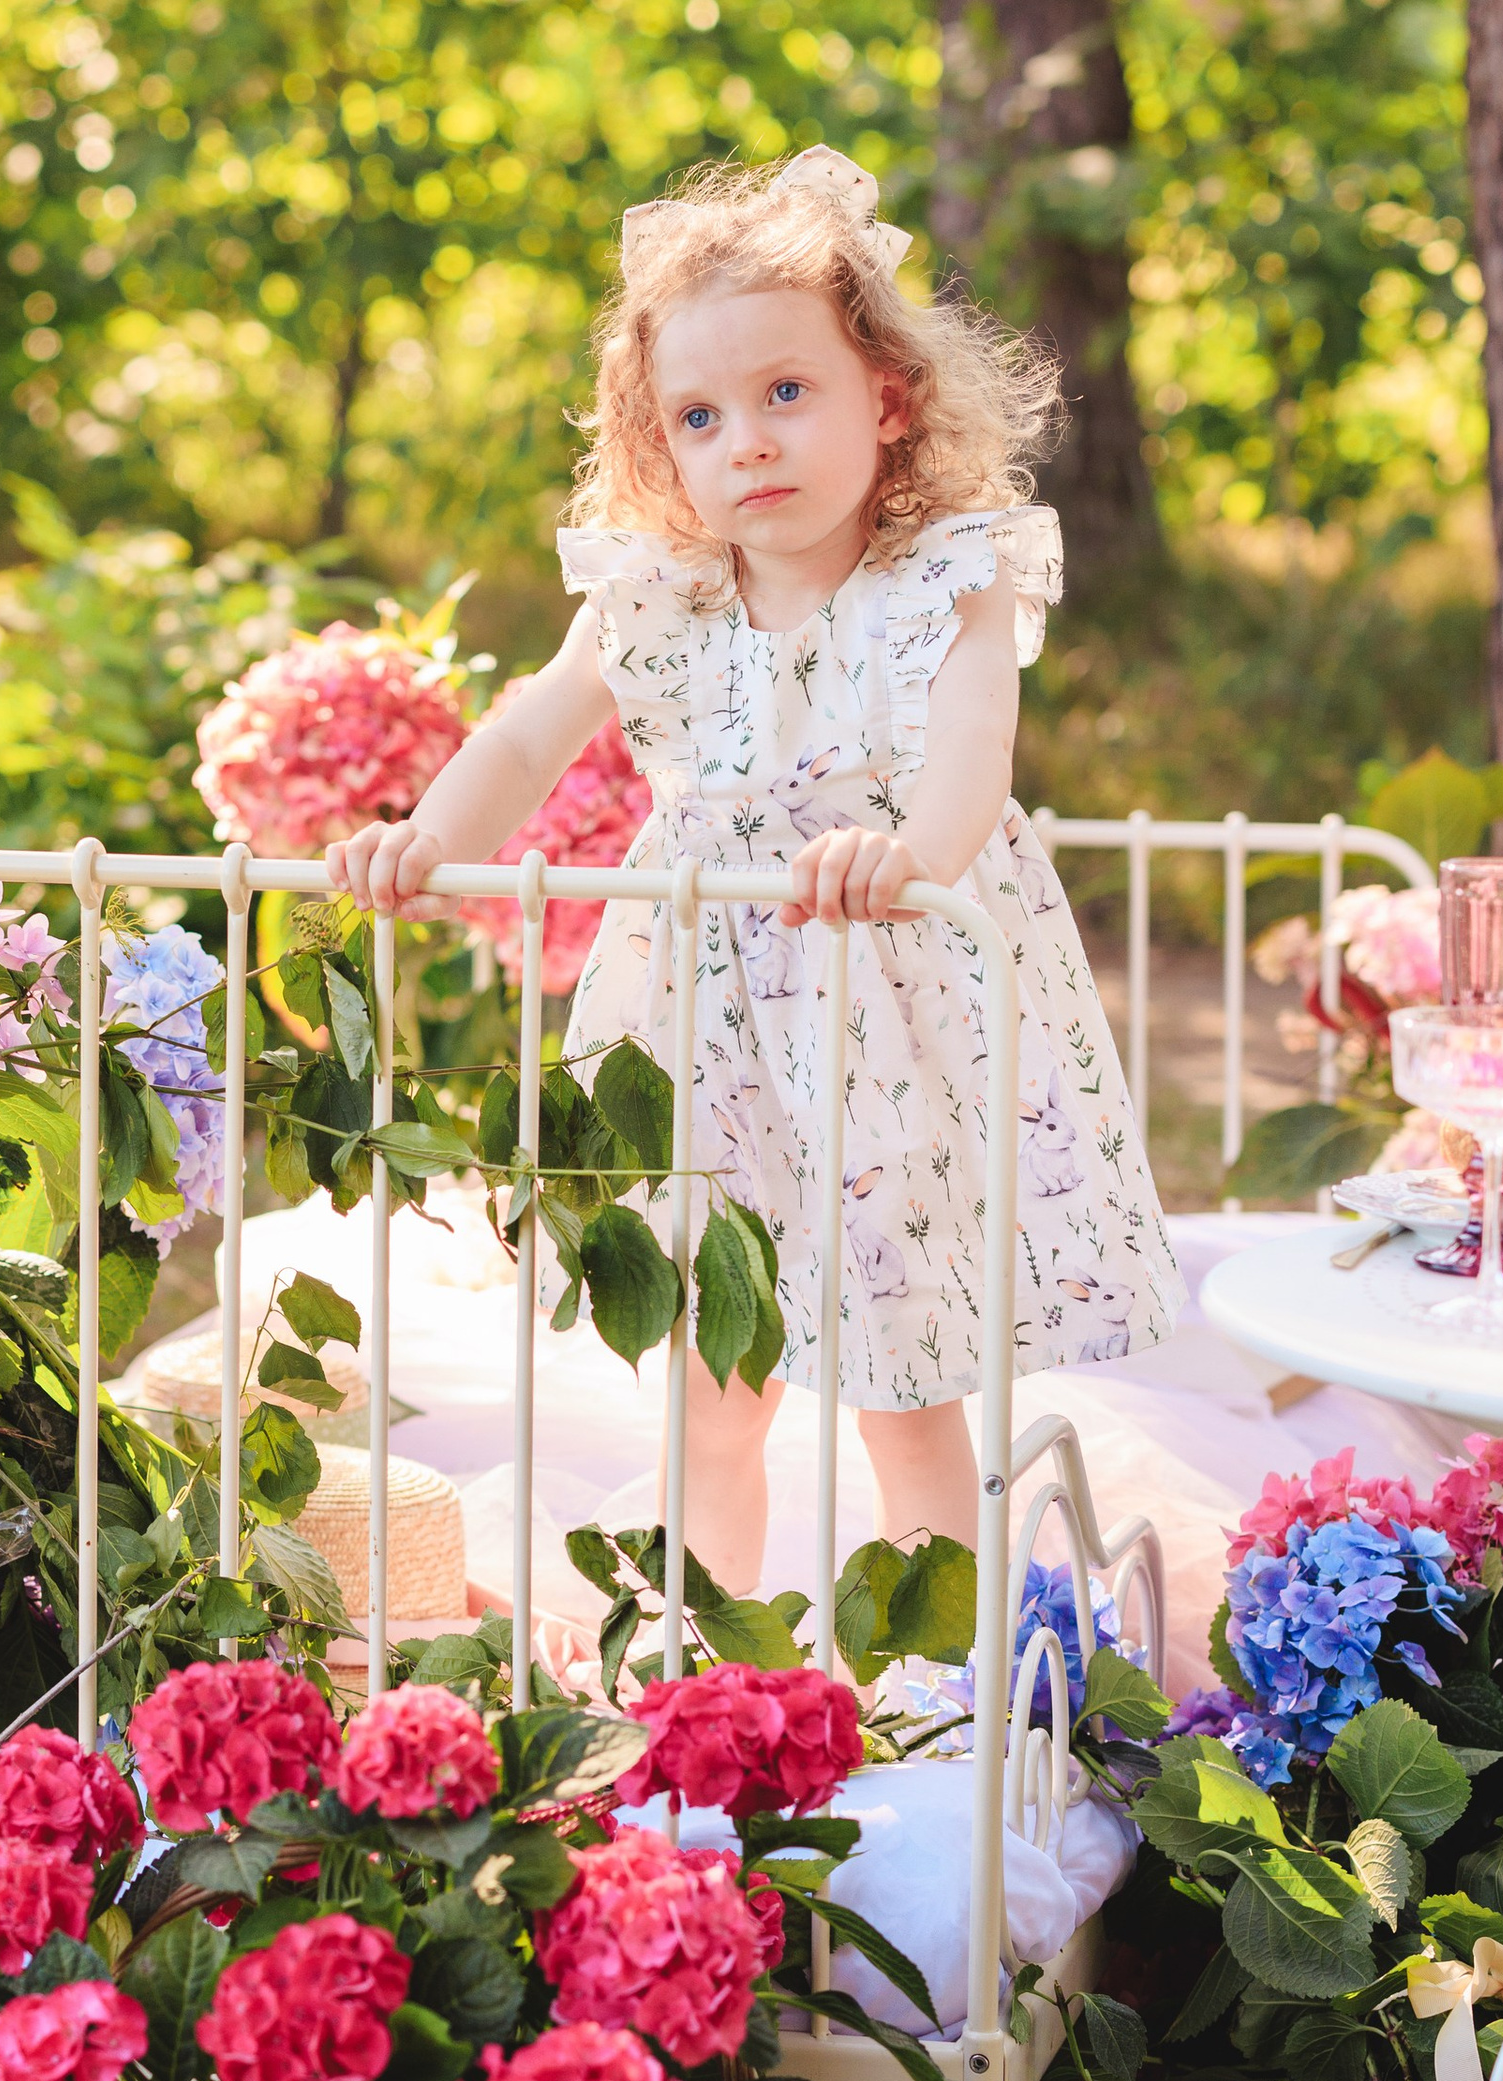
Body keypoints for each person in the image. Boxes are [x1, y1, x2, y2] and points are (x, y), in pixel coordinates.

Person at [328, 144, 1179, 1591]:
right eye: (703, 416)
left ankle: (939, 1699)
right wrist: (428, 837)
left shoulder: (948, 579)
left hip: (883, 1009)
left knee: (903, 1388)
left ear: (885, 396)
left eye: (789, 392)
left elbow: (976, 756)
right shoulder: (655, 596)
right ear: (664, 446)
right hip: (705, 1028)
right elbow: (531, 735)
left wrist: (907, 853)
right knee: (711, 1381)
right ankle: (704, 1679)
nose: (751, 443)